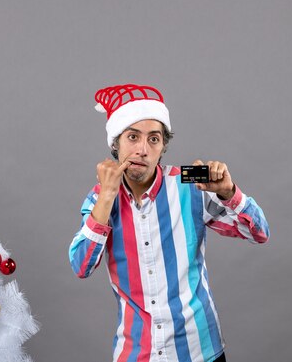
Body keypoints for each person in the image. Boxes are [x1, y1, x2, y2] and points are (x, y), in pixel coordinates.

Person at [69, 84, 270, 362]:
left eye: (153, 139)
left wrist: (228, 191)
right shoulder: (100, 197)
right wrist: (107, 196)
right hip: (137, 353)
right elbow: (81, 266)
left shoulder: (188, 180)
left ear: (163, 146)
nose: (142, 149)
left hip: (200, 351)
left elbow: (259, 233)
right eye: (132, 137)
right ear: (115, 143)